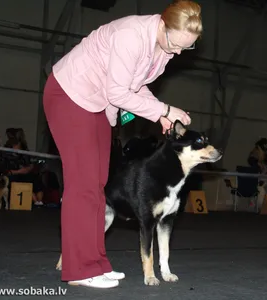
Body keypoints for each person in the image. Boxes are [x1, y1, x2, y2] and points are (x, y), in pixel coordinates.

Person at [43, 0, 202, 289]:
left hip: (99, 104)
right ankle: (80, 269)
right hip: (70, 94)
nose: (179, 51)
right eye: (177, 43)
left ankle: (96, 264)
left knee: (99, 184)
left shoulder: (162, 49)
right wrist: (163, 111)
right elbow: (119, 91)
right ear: (162, 25)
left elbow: (136, 86)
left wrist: (162, 114)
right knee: (83, 184)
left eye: (187, 47)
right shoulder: (131, 34)